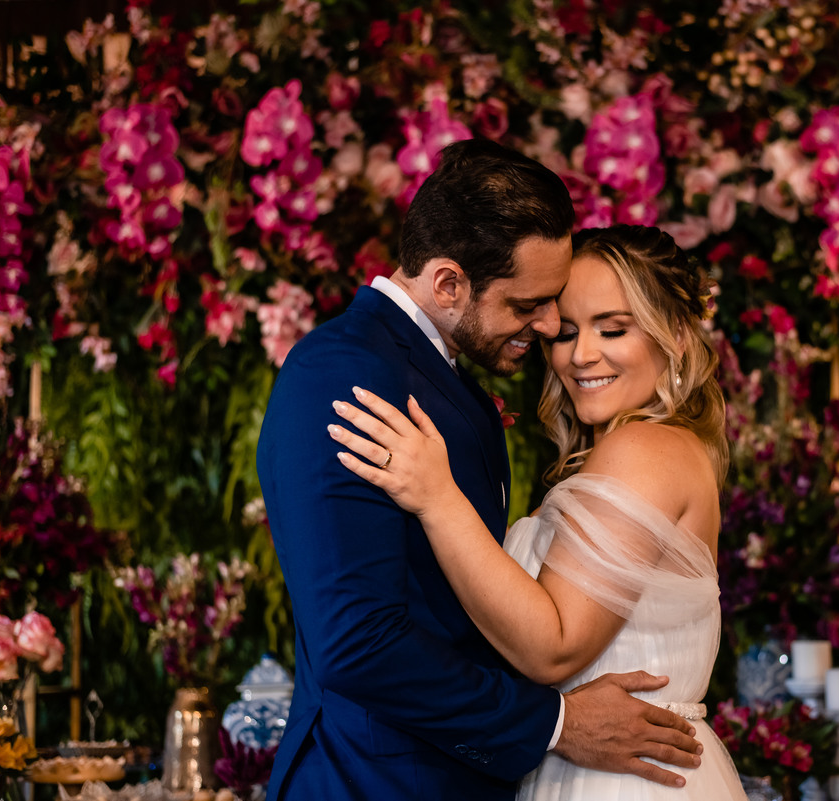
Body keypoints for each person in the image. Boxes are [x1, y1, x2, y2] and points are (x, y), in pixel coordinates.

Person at [256, 142, 703, 801]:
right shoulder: (346, 372)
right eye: (529, 304)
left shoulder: (443, 379)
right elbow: (356, 639)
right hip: (372, 783)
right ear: (448, 284)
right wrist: (556, 724)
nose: (549, 325)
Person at [329, 224, 750, 800]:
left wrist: (436, 495)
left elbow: (552, 645)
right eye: (567, 332)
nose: (581, 355)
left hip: (623, 781)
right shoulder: (658, 449)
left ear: (674, 334)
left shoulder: (645, 449)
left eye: (614, 328)